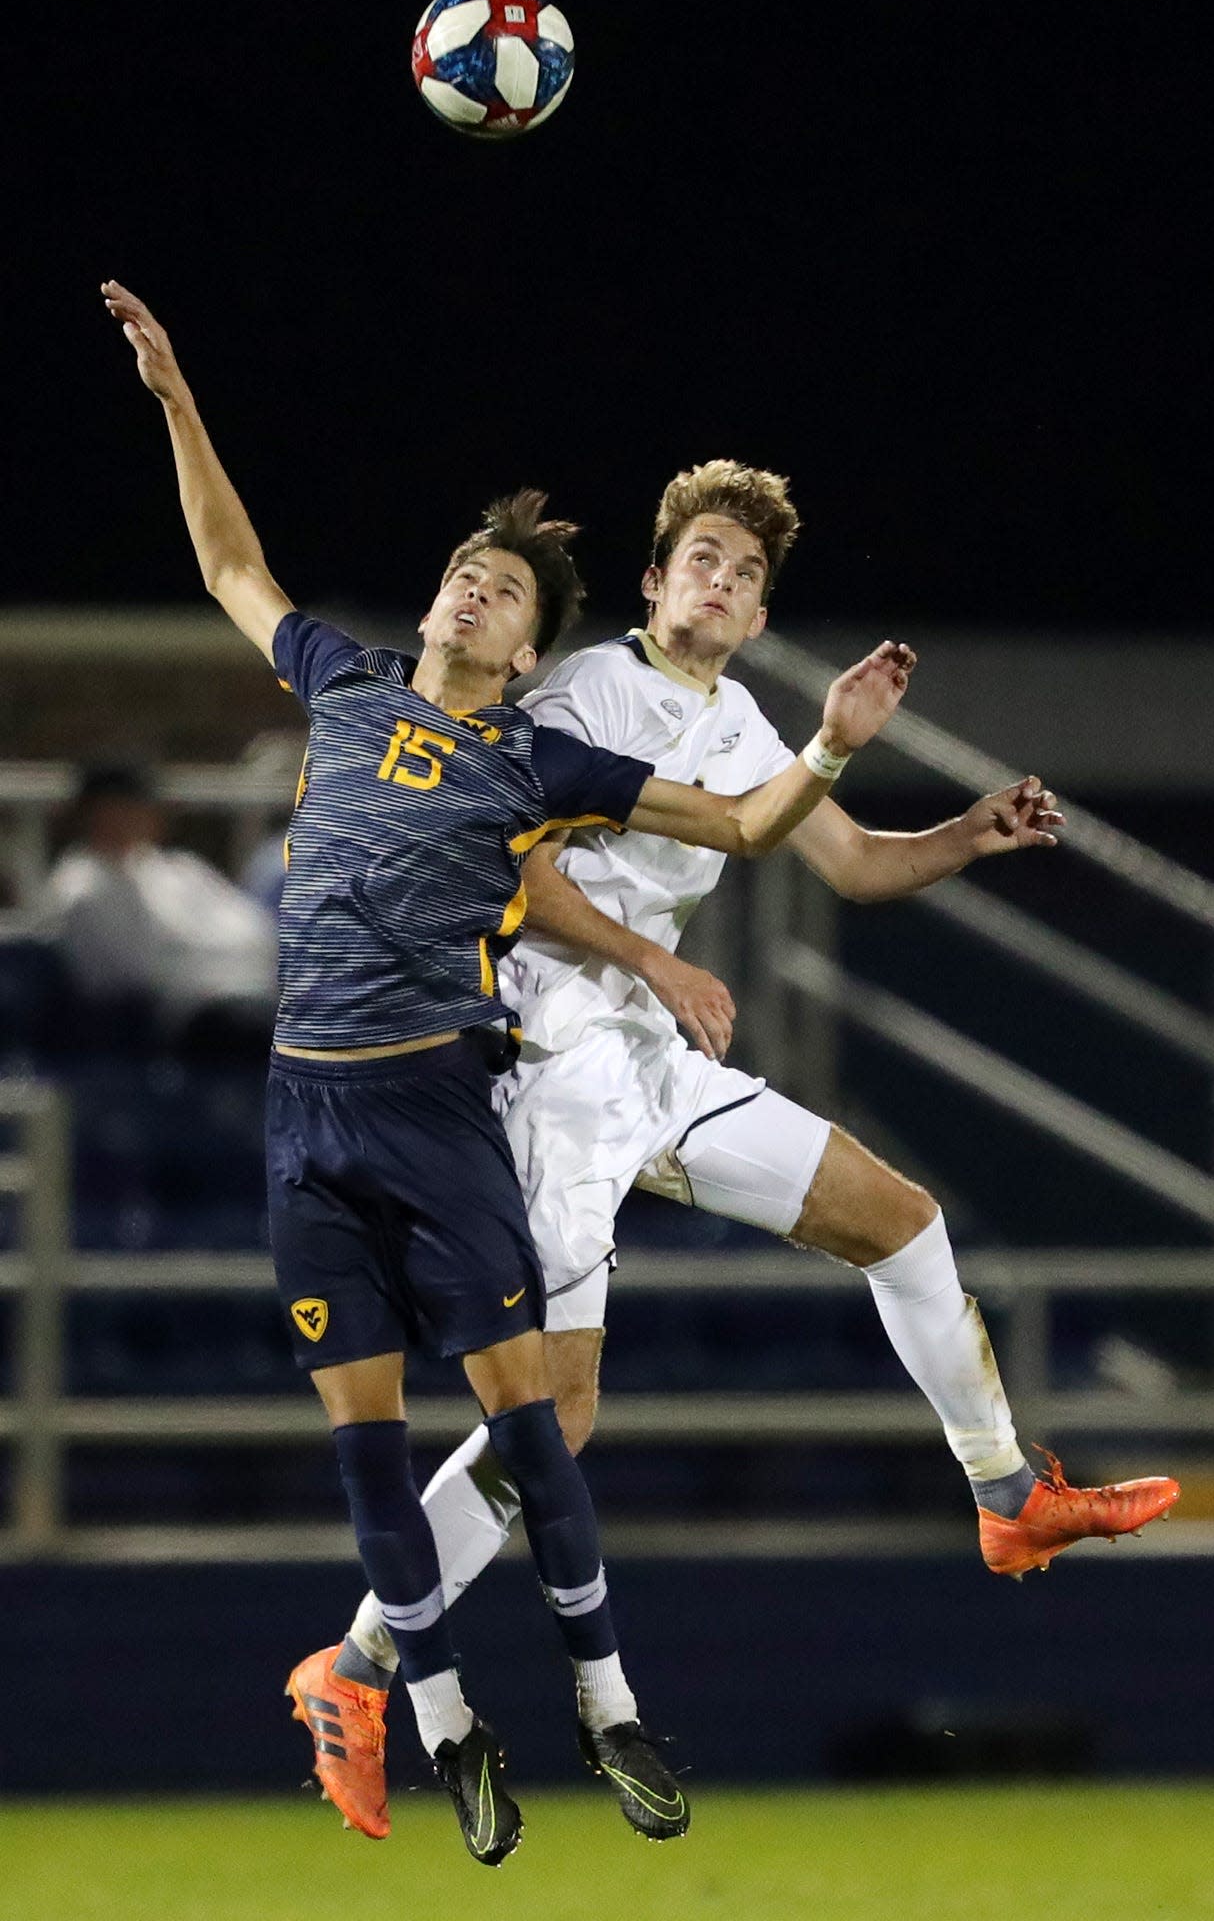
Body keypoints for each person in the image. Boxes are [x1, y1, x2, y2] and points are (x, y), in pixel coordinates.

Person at [103, 284, 915, 1863]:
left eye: (495, 588)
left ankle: (602, 1706)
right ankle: (430, 1717)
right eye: (457, 575)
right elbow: (224, 562)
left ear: (531, 642)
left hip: (439, 1098)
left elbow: (746, 832)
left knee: (544, 1421)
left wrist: (825, 747)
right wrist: (177, 397)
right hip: (301, 1108)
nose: (466, 595)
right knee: (367, 1446)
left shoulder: (539, 757)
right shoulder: (340, 683)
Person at [327, 459, 1180, 1836]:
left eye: (744, 572)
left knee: (901, 1219)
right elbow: (495, 850)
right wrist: (645, 964)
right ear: (656, 582)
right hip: (548, 1057)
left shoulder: (735, 721)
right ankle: (358, 1665)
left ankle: (1007, 1493)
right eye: (700, 560)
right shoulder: (587, 689)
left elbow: (844, 861)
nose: (720, 583)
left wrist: (968, 830)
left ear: (755, 607)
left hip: (647, 1063)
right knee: (557, 1420)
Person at [45, 762, 277, 1056]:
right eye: (118, 807)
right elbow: (137, 974)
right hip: (171, 1025)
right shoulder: (81, 887)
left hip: (245, 995)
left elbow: (258, 931)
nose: (134, 817)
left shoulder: (178, 870)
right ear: (92, 813)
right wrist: (217, 964)